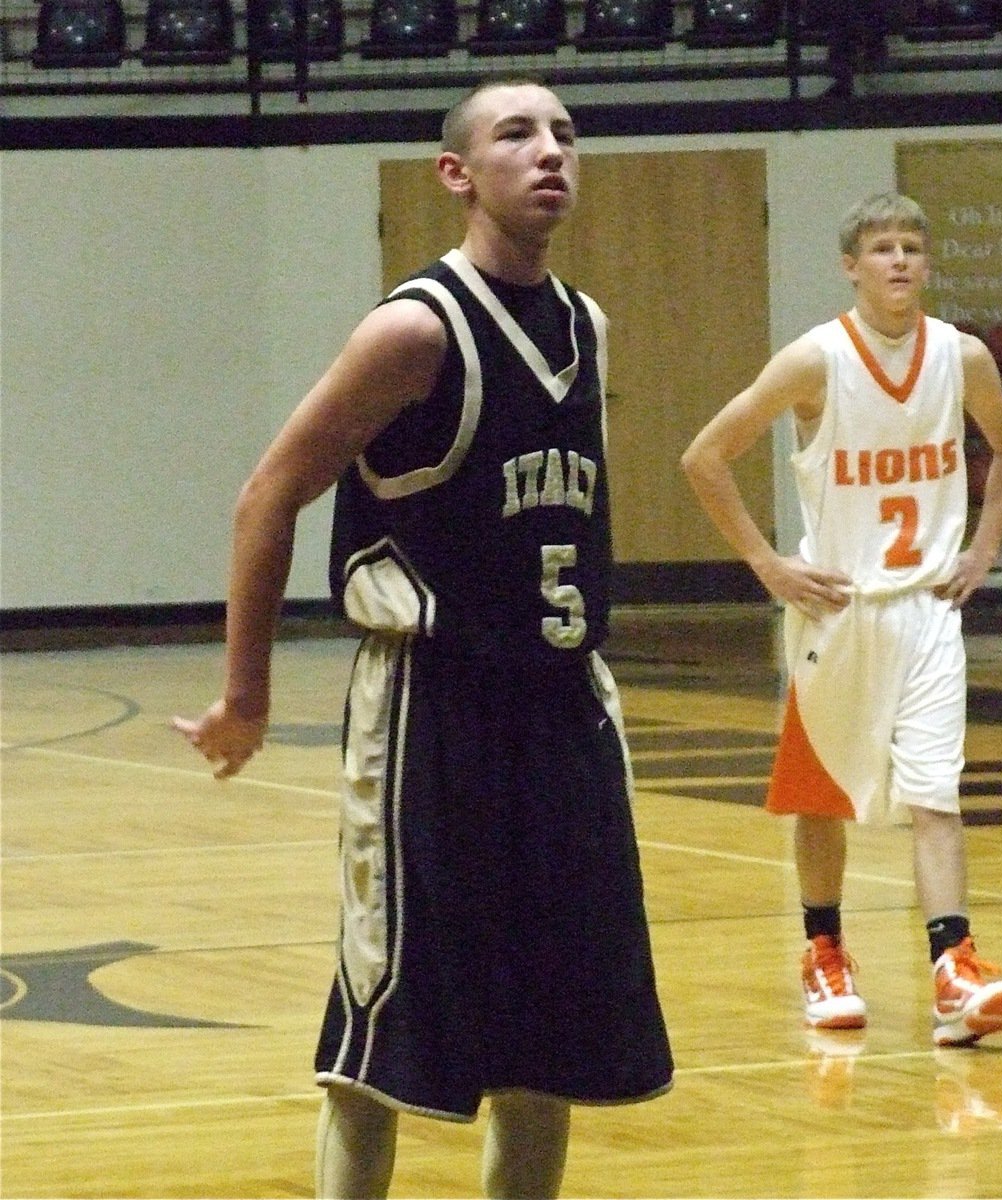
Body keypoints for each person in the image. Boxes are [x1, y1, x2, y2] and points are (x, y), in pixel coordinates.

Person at [172, 78, 673, 1199]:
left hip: (563, 710)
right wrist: (245, 697)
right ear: (457, 174)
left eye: (565, 134)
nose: (550, 152)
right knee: (384, 1035)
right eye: (517, 135)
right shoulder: (416, 329)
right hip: (435, 710)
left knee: (549, 1047)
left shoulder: (586, 327)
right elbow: (266, 497)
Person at [681, 192, 1002, 1048]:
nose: (900, 259)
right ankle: (825, 953)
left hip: (928, 609)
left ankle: (953, 965)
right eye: (882, 248)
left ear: (927, 262)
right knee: (822, 796)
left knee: (935, 793)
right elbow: (704, 456)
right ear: (850, 266)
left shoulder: (962, 356)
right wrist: (768, 563)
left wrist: (983, 550)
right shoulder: (815, 360)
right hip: (838, 611)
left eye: (912, 245)